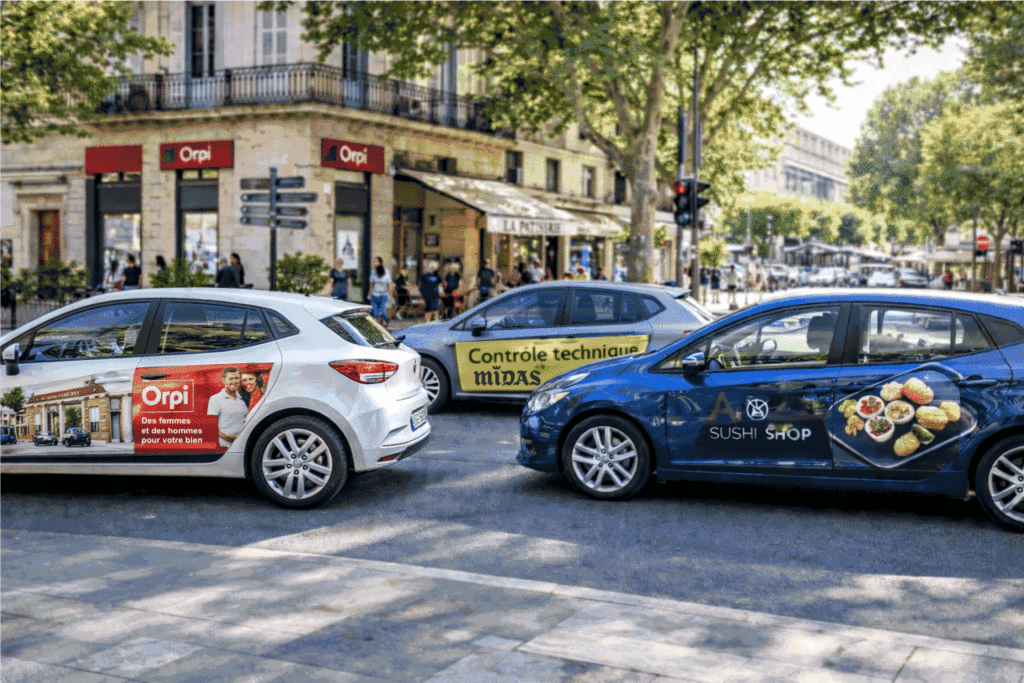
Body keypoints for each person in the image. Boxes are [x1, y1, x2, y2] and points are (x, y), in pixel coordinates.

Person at [208, 366, 248, 447]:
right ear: (224, 381)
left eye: (236, 378)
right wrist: (230, 439)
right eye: (230, 379)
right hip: (224, 446)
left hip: (241, 444)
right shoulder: (215, 399)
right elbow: (211, 427)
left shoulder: (242, 400)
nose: (234, 381)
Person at [369, 256, 393, 327]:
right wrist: (369, 293)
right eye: (374, 261)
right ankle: (377, 327)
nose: (374, 263)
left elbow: (389, 284)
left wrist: (391, 295)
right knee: (375, 314)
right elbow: (371, 283)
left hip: (383, 295)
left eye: (376, 261)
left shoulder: (386, 271)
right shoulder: (373, 271)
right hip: (374, 294)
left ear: (380, 262)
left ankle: (387, 321)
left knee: (382, 312)